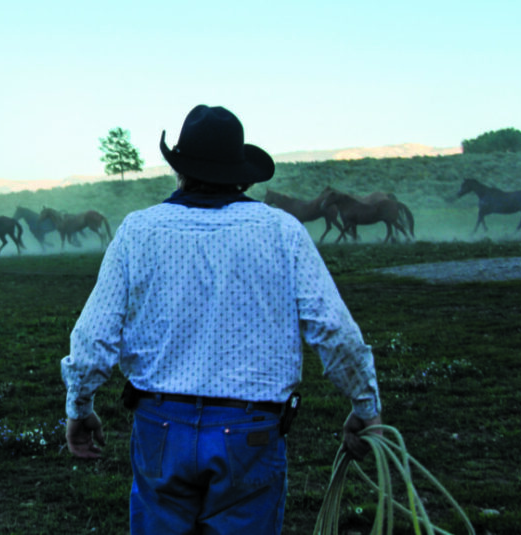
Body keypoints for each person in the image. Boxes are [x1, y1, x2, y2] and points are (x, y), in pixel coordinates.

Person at [61, 104, 382, 534]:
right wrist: (365, 404)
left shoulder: (138, 231)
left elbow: (93, 337)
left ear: (179, 170)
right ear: (242, 176)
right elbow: (334, 330)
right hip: (250, 432)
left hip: (161, 427)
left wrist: (80, 406)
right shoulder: (281, 231)